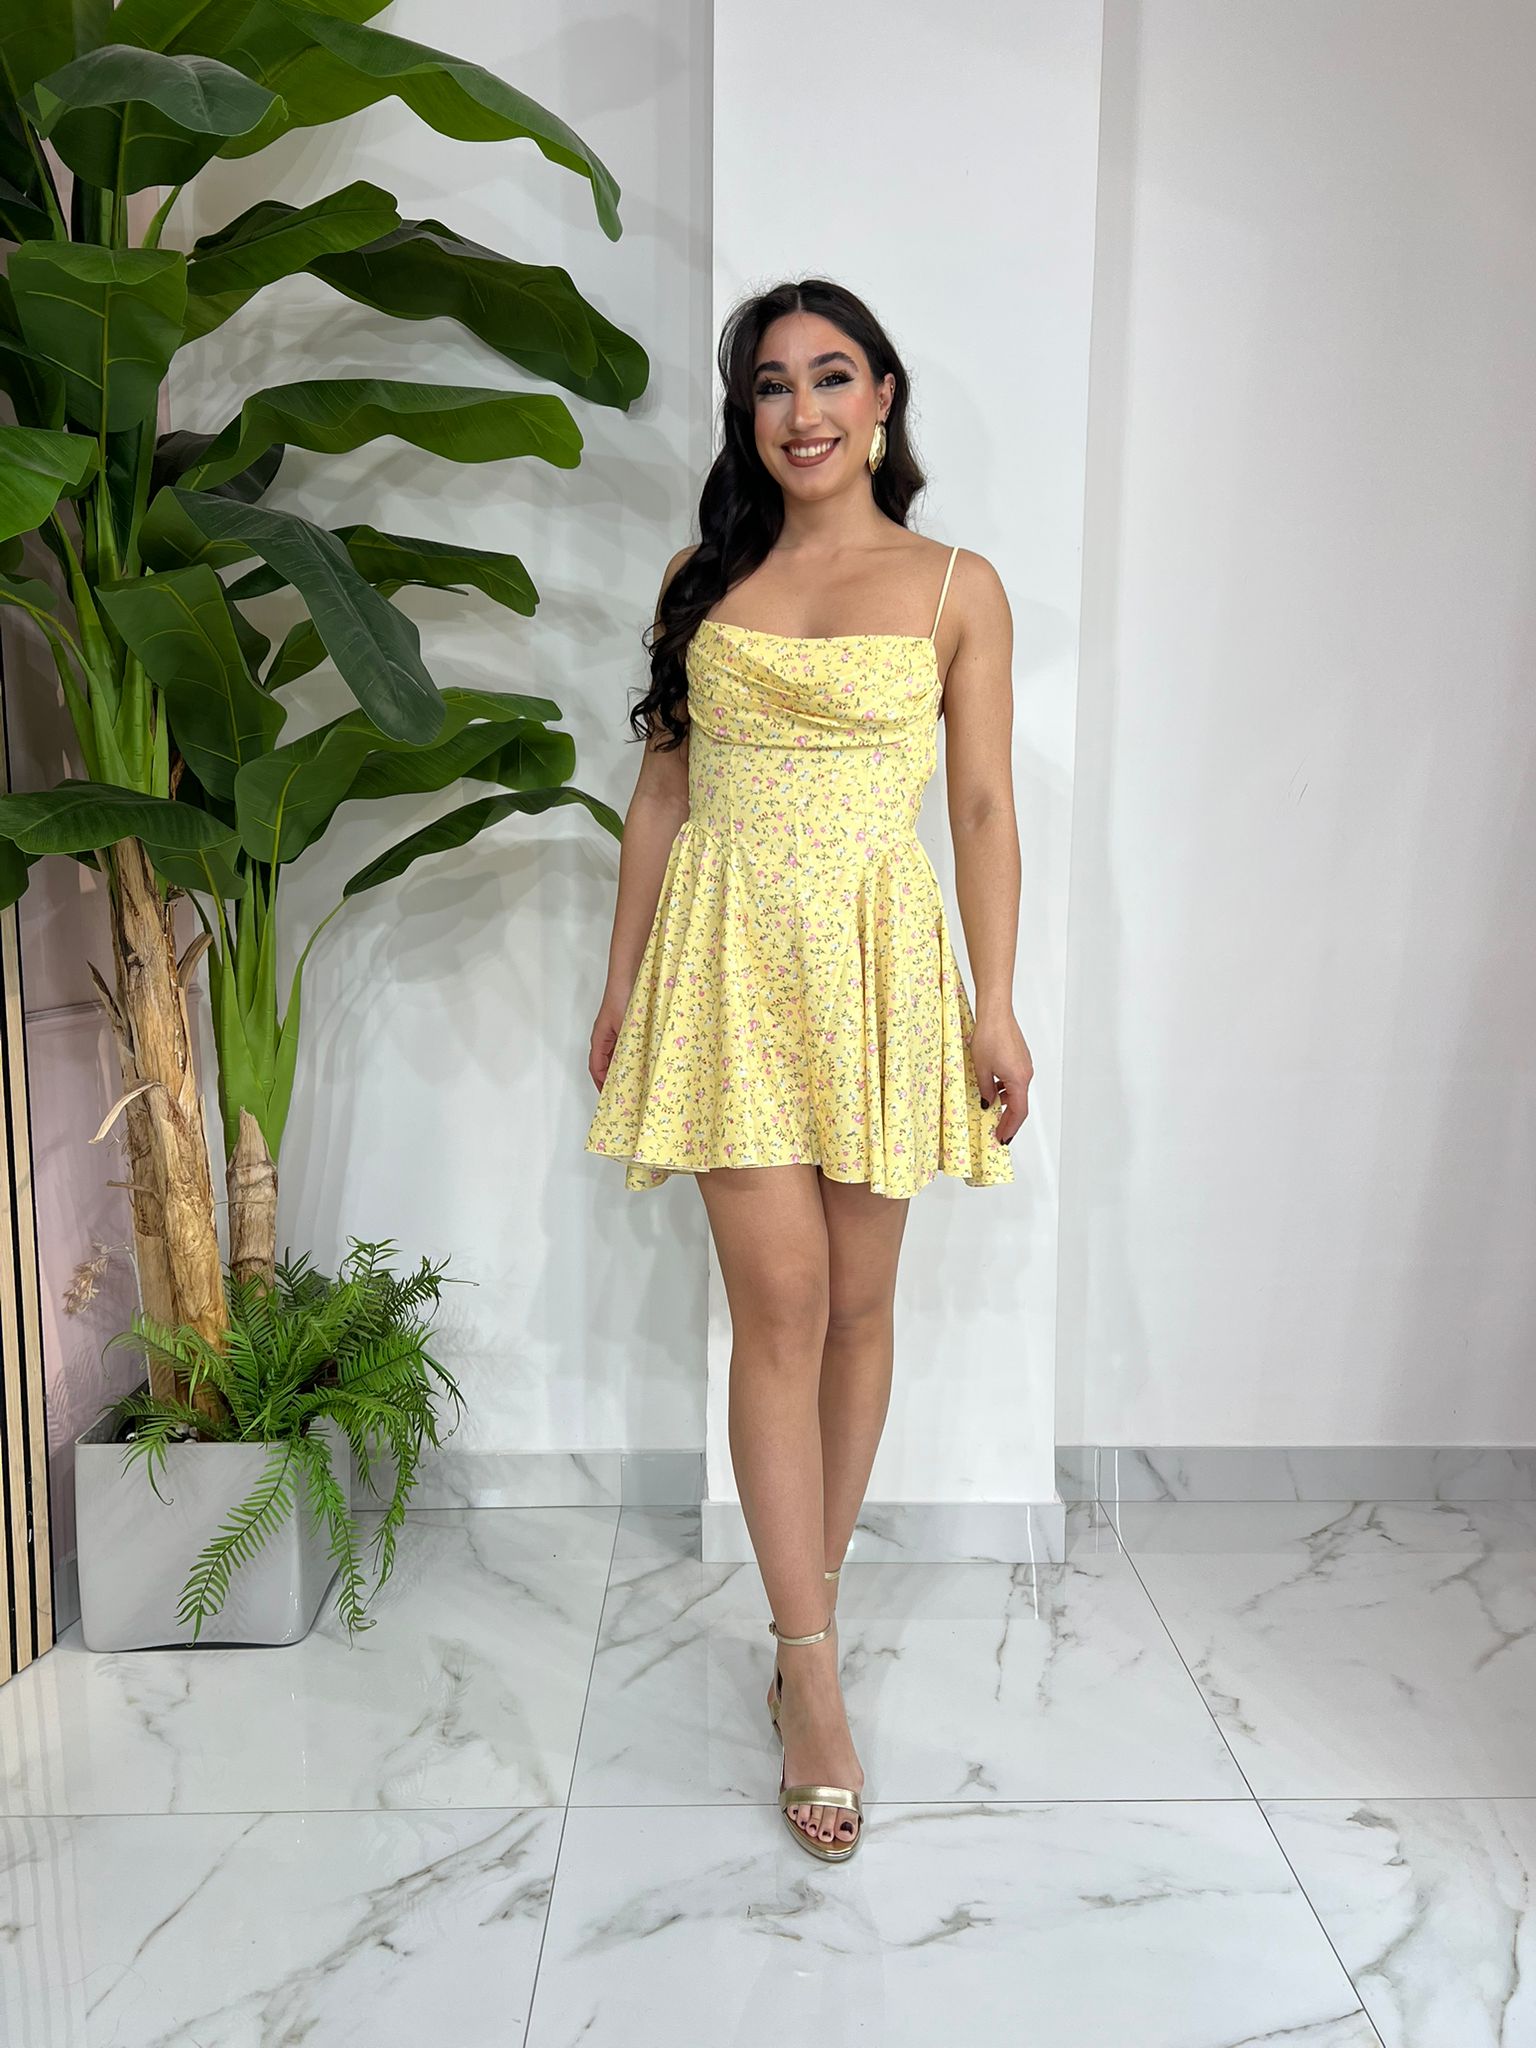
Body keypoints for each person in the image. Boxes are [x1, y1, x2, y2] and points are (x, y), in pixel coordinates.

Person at [585, 278, 1033, 1861]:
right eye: (771, 386)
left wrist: (997, 1004)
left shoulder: (957, 586)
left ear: (884, 397)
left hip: (878, 959)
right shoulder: (702, 580)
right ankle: (813, 1678)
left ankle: (804, 1613)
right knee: (777, 1302)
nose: (803, 411)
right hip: (723, 961)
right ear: (748, 415)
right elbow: (660, 797)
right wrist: (622, 980)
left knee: (855, 1308)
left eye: (831, 377)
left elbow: (982, 808)